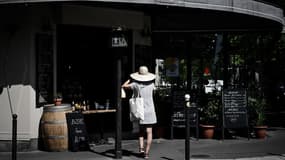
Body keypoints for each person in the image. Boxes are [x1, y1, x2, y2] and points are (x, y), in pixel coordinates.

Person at [122, 66, 157, 159]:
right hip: (150, 110)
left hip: (140, 110)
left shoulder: (135, 84)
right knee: (149, 132)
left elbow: (123, 86)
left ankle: (141, 148)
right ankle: (147, 153)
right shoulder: (152, 84)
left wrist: (129, 80)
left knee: (141, 131)